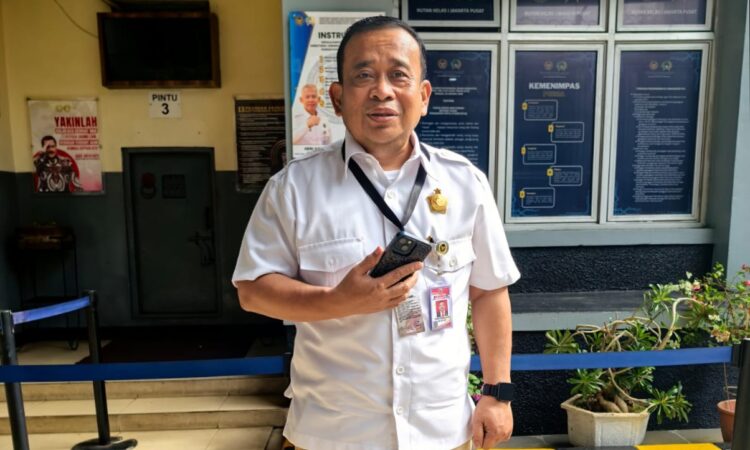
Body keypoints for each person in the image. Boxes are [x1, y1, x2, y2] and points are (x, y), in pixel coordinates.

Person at [234, 16, 519, 450]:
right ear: (337, 98)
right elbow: (253, 290)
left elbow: (489, 291)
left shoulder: (465, 183)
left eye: (398, 75)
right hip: (333, 435)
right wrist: (337, 301)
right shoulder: (293, 189)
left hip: (442, 431)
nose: (382, 91)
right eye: (363, 76)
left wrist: (497, 393)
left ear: (423, 96)